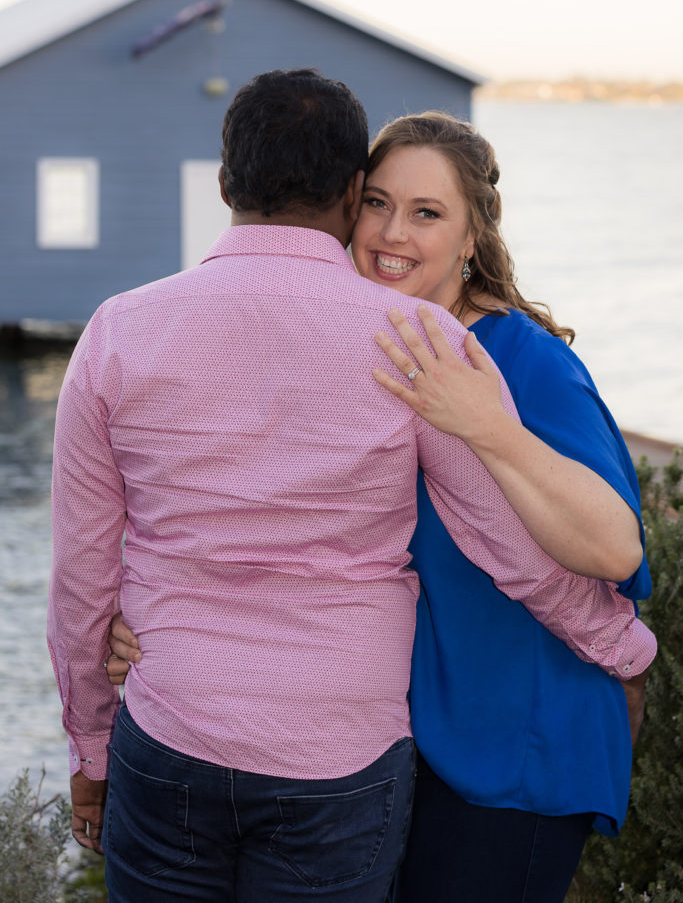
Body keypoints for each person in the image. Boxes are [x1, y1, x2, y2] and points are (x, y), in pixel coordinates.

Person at [49, 72, 654, 903]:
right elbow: (504, 543)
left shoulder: (118, 329)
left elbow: (81, 568)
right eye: (378, 203)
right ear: (347, 197)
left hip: (176, 726)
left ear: (224, 184)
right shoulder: (411, 340)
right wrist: (621, 647)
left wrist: (90, 744)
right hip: (340, 751)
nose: (389, 230)